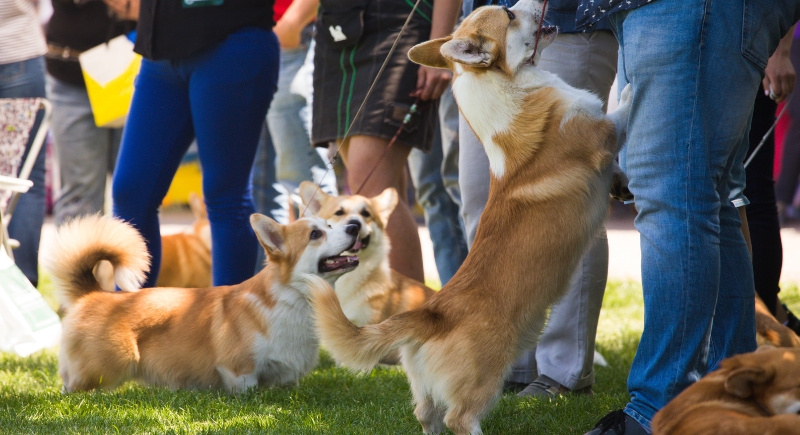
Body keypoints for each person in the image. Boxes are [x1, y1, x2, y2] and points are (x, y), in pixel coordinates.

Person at [580, 1, 800, 434]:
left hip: (687, 9)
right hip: (682, 13)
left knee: (675, 195)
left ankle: (663, 409)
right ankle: (729, 394)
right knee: (709, 198)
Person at [457, 0, 617, 397]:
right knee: (480, 200)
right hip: (484, 37)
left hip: (569, 19)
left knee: (566, 203)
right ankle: (508, 357)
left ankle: (563, 370)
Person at [112, 0, 280, 287]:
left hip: (232, 38)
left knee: (225, 195)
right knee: (131, 191)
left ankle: (230, 316)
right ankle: (128, 310)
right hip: (160, 48)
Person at [311, 0, 460, 282]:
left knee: (369, 185)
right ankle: (395, 305)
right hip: (337, 25)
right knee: (384, 192)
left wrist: (438, 45)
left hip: (400, 20)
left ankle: (411, 307)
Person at [46, 0, 135, 226]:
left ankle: (136, 251)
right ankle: (83, 253)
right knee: (80, 199)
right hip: (71, 72)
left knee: (137, 193)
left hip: (133, 69)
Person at [0, 0, 48, 287]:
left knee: (23, 180)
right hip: (19, 50)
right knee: (25, 179)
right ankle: (23, 288)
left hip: (21, 51)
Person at [407, 85, 467, 285]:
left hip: (454, 73)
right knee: (430, 194)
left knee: (461, 184)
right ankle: (451, 295)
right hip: (409, 74)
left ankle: (489, 288)